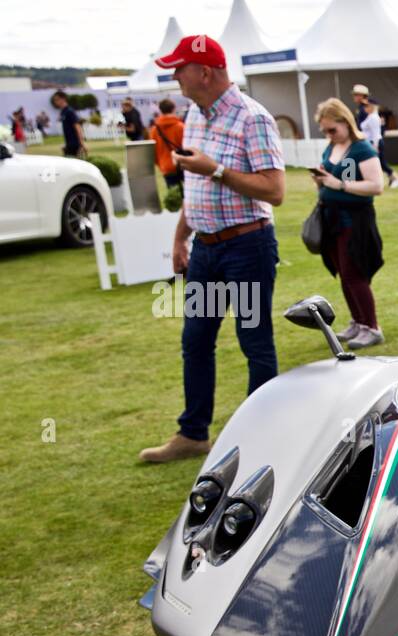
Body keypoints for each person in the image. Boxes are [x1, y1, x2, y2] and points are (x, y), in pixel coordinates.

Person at [139, 35, 285, 464]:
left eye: (178, 68)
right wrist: (180, 237)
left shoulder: (252, 118)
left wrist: (216, 169)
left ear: (204, 71)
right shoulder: (194, 115)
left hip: (246, 247)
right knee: (196, 340)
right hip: (206, 249)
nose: (174, 77)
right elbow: (195, 185)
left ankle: (261, 438)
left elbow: (274, 191)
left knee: (254, 342)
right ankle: (193, 434)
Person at [311, 98, 386, 349]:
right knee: (344, 274)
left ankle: (372, 327)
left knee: (355, 274)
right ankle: (358, 321)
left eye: (332, 129)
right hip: (332, 219)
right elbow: (331, 175)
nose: (329, 135)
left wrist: (339, 184)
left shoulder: (361, 149)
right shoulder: (332, 146)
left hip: (354, 221)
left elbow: (377, 186)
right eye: (325, 131)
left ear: (345, 121)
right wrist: (321, 180)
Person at [359, 102, 398, 189]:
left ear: (372, 107)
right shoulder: (370, 116)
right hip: (371, 142)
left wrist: (375, 146)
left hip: (375, 143)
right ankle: (392, 179)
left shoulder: (373, 118)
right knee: (380, 163)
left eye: (367, 106)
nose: (365, 109)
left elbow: (375, 133)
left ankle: (395, 179)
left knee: (382, 163)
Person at [149, 98, 186, 189]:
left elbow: (153, 151)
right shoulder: (181, 127)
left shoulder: (154, 130)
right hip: (183, 164)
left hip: (166, 166)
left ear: (160, 110)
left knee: (174, 197)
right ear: (173, 109)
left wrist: (160, 164)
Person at [52, 91, 85, 158]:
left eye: (57, 99)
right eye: (55, 100)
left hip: (74, 143)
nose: (56, 102)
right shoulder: (63, 112)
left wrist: (81, 143)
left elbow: (77, 126)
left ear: (63, 99)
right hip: (69, 144)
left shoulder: (69, 111)